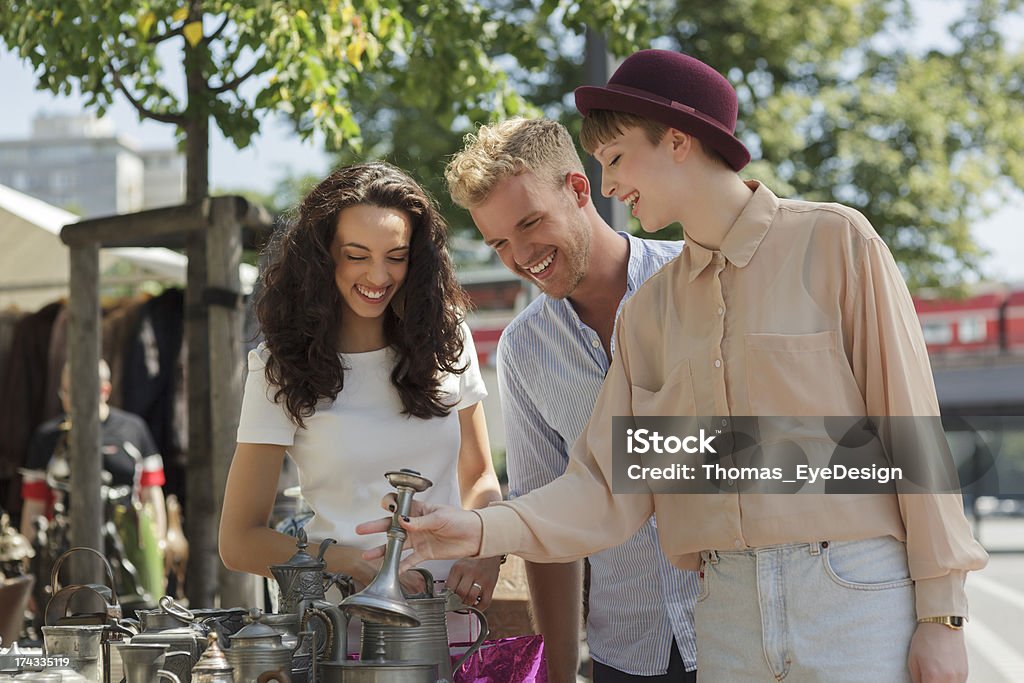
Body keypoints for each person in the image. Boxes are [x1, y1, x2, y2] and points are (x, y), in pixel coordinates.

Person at [359, 51, 989, 682]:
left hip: (850, 590)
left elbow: (911, 434)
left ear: (679, 140)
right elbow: (608, 488)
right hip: (727, 609)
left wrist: (943, 616)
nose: (607, 186)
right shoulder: (651, 312)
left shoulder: (835, 241)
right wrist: (476, 528)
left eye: (614, 159)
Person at [445, 118, 697, 683]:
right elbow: (546, 529)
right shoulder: (524, 349)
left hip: (740, 634)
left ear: (579, 189)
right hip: (627, 653)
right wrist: (560, 676)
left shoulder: (696, 279)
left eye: (530, 223)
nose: (521, 254)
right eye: (499, 243)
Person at [219, 162, 503, 631]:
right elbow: (239, 541)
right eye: (356, 254)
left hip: (449, 623)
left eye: (396, 255)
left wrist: (486, 550)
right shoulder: (277, 368)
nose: (378, 275)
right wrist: (348, 562)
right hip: (339, 633)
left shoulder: (448, 339)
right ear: (323, 256)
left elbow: (478, 476)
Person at [20, 359, 167, 545]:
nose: (71, 400)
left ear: (104, 391)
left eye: (80, 393)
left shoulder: (134, 430)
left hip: (127, 542)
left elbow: (151, 494)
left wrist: (158, 545)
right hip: (65, 545)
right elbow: (34, 504)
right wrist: (29, 554)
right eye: (66, 392)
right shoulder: (47, 437)